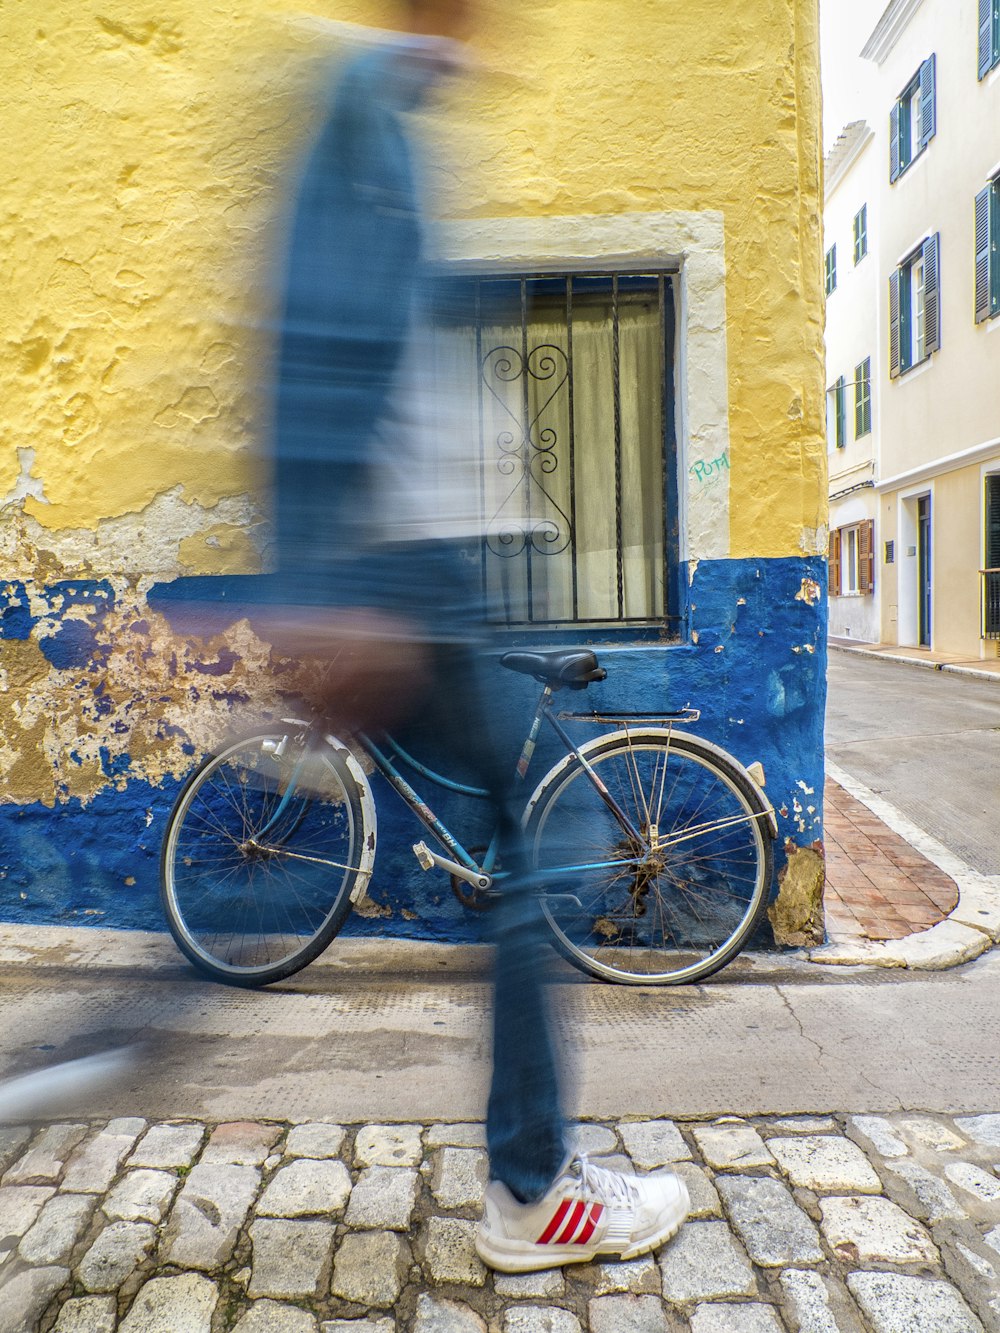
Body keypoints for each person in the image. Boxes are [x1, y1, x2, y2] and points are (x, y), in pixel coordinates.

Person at [270, 0, 689, 1272]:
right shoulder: (361, 101)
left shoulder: (389, 110)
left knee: (537, 847)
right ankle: (530, 1190)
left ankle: (532, 1176)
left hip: (429, 564)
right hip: (413, 569)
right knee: (539, 850)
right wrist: (325, 574)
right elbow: (320, 345)